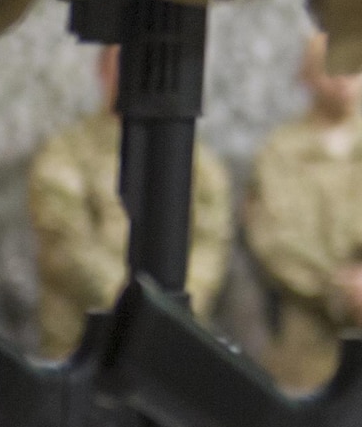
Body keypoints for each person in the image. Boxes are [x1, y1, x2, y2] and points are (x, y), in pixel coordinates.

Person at [28, 43, 232, 358]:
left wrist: (177, 309)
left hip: (171, 344)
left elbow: (211, 242)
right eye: (125, 63)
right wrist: (139, 311)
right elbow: (66, 247)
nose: (137, 74)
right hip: (83, 343)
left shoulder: (198, 163)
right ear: (103, 71)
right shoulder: (67, 153)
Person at [243, 34, 362, 393]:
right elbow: (274, 240)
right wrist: (343, 289)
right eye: (331, 67)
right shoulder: (281, 152)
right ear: (306, 76)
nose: (343, 79)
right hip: (307, 338)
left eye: (354, 68)